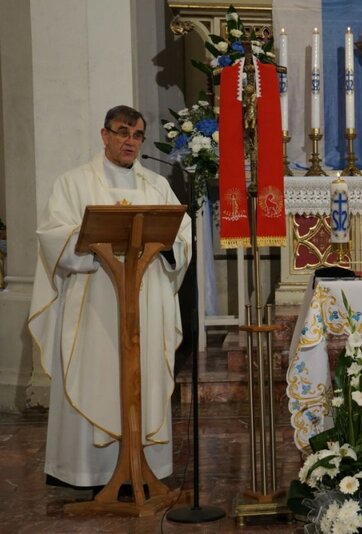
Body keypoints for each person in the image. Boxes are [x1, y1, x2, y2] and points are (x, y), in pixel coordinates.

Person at [27, 105, 191, 488]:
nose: (129, 142)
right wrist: (94, 244)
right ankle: (89, 472)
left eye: (136, 135)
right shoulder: (74, 183)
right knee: (94, 370)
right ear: (105, 136)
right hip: (94, 300)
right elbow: (54, 235)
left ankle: (142, 467)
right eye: (121, 133)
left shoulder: (156, 186)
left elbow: (181, 238)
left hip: (145, 300)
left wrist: (167, 247)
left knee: (143, 374)